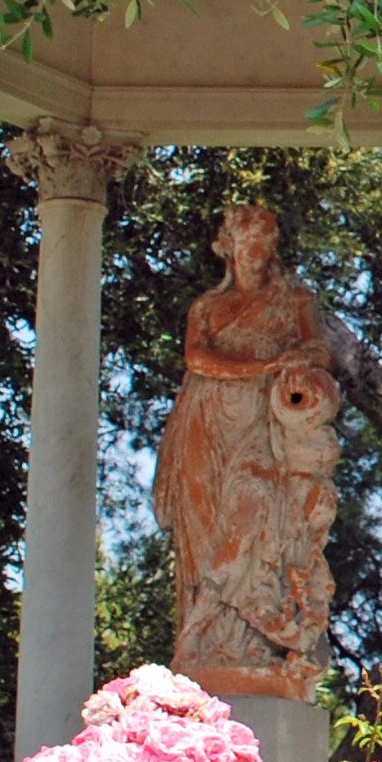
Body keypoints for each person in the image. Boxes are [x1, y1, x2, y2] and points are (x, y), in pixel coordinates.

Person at [149, 203, 341, 702]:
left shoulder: (293, 299)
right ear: (230, 247)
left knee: (254, 509)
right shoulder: (207, 308)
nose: (260, 252)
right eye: (251, 241)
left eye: (267, 241)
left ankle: (256, 640)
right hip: (205, 421)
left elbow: (318, 348)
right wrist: (270, 361)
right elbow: (197, 357)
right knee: (204, 530)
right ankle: (203, 645)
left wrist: (294, 365)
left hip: (262, 422)